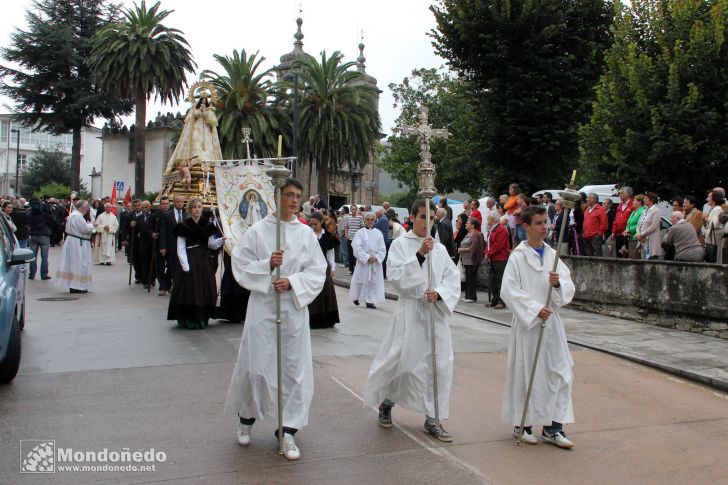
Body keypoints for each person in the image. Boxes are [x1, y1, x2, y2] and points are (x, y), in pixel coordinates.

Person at [225, 178, 326, 461]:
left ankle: (288, 429)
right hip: (263, 307)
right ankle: (246, 419)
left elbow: (318, 270)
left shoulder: (305, 234)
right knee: (256, 366)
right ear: (277, 196)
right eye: (289, 195)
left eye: (298, 196)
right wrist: (267, 265)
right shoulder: (258, 231)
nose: (294, 201)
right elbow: (240, 266)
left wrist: (292, 282)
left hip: (293, 310)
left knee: (294, 370)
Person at [364, 199, 460, 442]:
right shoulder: (400, 245)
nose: (426, 223)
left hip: (435, 314)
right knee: (404, 365)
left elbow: (452, 278)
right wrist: (418, 255)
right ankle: (387, 402)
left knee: (437, 366)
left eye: (430, 218)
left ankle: (433, 418)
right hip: (411, 312)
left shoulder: (438, 248)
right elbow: (396, 277)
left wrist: (439, 294)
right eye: (421, 218)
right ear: (412, 219)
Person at [501, 206, 576, 449]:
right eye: (539, 223)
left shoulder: (553, 255)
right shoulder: (518, 257)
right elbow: (509, 291)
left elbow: (568, 289)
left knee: (559, 372)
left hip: (551, 325)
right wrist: (534, 308)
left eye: (546, 222)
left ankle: (554, 427)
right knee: (528, 373)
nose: (545, 226)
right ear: (526, 227)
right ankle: (524, 424)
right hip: (528, 326)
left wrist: (556, 286)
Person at [167, 198, 225, 329]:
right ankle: (189, 318)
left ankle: (203, 316)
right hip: (191, 259)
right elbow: (180, 248)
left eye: (199, 206)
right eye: (194, 207)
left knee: (205, 288)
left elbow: (211, 244)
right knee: (190, 289)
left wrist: (221, 240)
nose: (197, 209)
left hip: (204, 260)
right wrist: (185, 266)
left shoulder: (207, 225)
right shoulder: (184, 225)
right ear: (190, 209)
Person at [163, 92, 222, 175]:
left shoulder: (209, 110)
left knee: (208, 146)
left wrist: (206, 112)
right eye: (202, 100)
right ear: (200, 101)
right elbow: (193, 116)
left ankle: (208, 163)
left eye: (205, 100)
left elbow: (212, 121)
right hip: (197, 129)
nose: (204, 101)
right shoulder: (195, 109)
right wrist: (200, 111)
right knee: (196, 143)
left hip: (206, 130)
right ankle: (196, 160)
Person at [308, 212, 340, 328]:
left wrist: (332, 268)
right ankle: (313, 320)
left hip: (324, 267)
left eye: (315, 224)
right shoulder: (308, 235)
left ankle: (327, 319)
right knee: (313, 292)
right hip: (310, 266)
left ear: (321, 222)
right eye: (311, 224)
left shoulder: (328, 236)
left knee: (326, 291)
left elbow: (330, 254)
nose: (313, 226)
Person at [56, 200, 96, 293]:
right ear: (81, 207)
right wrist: (93, 226)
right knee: (78, 263)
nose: (88, 209)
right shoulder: (77, 216)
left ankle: (79, 285)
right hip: (77, 243)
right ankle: (76, 286)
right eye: (87, 207)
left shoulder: (76, 215)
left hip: (77, 241)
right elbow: (84, 229)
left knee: (77, 263)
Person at [349, 213, 386, 309]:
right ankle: (356, 297)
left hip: (374, 262)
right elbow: (357, 247)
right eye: (368, 219)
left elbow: (383, 248)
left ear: (375, 221)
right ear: (365, 220)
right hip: (364, 262)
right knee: (360, 280)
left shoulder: (379, 233)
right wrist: (366, 257)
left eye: (372, 219)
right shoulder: (360, 233)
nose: (370, 221)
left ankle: (370, 300)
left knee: (372, 281)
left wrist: (376, 257)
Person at [159, 195, 185, 293]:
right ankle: (174, 285)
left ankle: (179, 286)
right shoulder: (167, 215)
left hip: (184, 246)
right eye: (178, 201)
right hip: (172, 246)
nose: (180, 203)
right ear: (173, 203)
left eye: (182, 202)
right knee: (172, 267)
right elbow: (163, 232)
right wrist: (163, 247)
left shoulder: (187, 214)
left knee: (182, 266)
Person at [28, 198, 58, 280]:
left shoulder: (32, 212)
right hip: (44, 234)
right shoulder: (46, 213)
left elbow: (27, 220)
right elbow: (54, 222)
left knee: (32, 257)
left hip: (34, 234)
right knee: (44, 257)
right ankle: (44, 274)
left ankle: (32, 274)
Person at [486, 212, 511, 309]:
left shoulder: (501, 229)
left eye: (489, 218)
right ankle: (495, 299)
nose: (487, 219)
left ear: (493, 219)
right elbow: (489, 243)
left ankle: (501, 301)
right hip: (493, 257)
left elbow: (498, 245)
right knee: (493, 280)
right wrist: (487, 253)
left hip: (501, 258)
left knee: (500, 280)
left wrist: (489, 254)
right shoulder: (493, 229)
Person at [457, 218, 484, 303]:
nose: (466, 224)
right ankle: (467, 295)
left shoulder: (476, 234)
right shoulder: (467, 234)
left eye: (468, 223)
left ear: (472, 225)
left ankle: (472, 297)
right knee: (467, 278)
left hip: (472, 260)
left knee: (471, 278)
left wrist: (461, 249)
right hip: (465, 260)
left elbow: (473, 248)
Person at [637, 192, 663, 260]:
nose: (644, 200)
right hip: (642, 240)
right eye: (644, 198)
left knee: (651, 261)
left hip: (651, 240)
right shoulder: (644, 210)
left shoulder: (656, 211)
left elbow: (654, 226)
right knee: (643, 261)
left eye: (646, 198)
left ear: (652, 200)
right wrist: (638, 233)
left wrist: (642, 234)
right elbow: (639, 224)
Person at [611, 187, 634, 258]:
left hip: (627, 235)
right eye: (619, 193)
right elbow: (616, 219)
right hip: (618, 234)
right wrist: (613, 231)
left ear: (628, 194)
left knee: (626, 255)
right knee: (619, 255)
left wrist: (628, 230)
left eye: (621, 193)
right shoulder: (620, 204)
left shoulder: (633, 204)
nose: (620, 195)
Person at [624, 195, 646, 259]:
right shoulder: (634, 211)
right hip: (630, 237)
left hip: (637, 238)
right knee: (631, 257)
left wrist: (629, 230)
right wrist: (626, 230)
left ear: (639, 202)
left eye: (634, 200)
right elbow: (628, 223)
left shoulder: (643, 211)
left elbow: (640, 224)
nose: (633, 202)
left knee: (635, 257)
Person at [345, 205, 363, 275]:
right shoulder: (348, 218)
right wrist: (346, 235)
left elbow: (362, 227)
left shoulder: (360, 217)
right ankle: (350, 270)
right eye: (352, 209)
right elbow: (346, 227)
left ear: (357, 210)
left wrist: (361, 237)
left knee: (357, 255)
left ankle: (357, 269)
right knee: (350, 254)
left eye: (355, 209)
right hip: (350, 238)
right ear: (350, 210)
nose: (354, 210)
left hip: (357, 239)